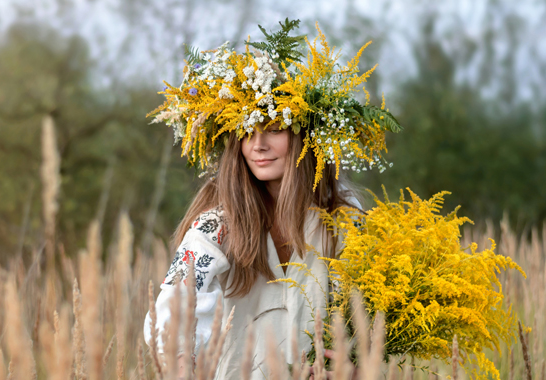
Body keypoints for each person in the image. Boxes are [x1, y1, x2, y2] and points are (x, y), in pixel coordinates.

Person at [144, 19, 401, 380]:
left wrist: (356, 370)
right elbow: (171, 309)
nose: (259, 144)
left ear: (305, 139)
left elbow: (377, 323)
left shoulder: (346, 222)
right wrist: (182, 365)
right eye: (247, 131)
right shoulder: (217, 226)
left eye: (275, 129)